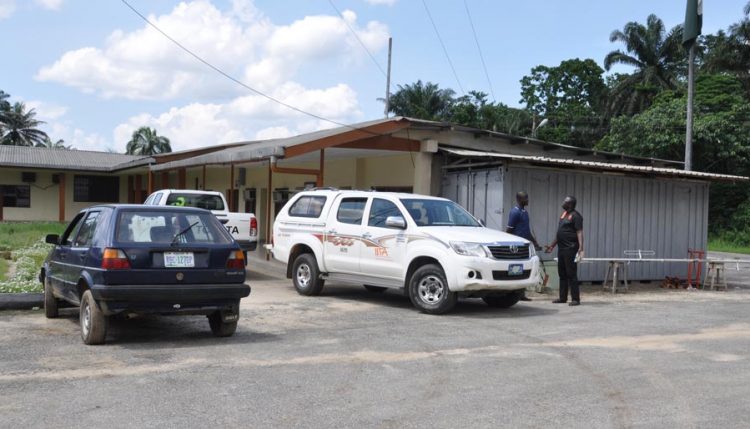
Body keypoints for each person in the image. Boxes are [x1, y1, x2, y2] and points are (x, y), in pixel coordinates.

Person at [545, 196, 584, 306]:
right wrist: (552, 246)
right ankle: (562, 298)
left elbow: (579, 232)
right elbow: (560, 233)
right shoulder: (564, 215)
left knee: (571, 274)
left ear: (570, 204)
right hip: (561, 248)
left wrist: (581, 247)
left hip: (571, 248)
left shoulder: (576, 216)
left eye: (565, 201)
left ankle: (576, 299)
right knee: (562, 274)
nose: (563, 203)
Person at [506, 191, 541, 301]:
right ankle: (512, 293)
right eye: (525, 198)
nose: (527, 200)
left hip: (525, 246)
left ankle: (521, 293)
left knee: (522, 270)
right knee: (515, 270)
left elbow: (526, 230)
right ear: (519, 199)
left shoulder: (525, 212)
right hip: (516, 247)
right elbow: (509, 230)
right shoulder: (515, 212)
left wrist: (535, 243)